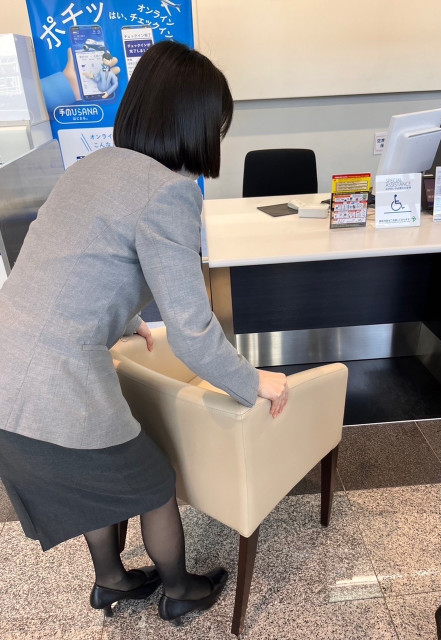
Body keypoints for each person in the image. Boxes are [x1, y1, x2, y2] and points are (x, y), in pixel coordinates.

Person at [0, 41, 288, 624]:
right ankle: (179, 590)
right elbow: (194, 332)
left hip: (9, 365)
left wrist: (125, 317)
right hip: (55, 383)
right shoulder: (169, 192)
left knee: (97, 480)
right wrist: (255, 380)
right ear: (196, 123)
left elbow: (68, 267)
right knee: (152, 483)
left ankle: (111, 580)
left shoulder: (90, 166)